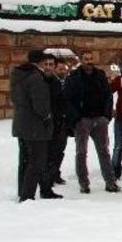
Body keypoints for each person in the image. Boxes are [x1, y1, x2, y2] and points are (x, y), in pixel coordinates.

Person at [65, 50, 120, 194]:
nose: (89, 61)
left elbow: (108, 96)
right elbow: (68, 99)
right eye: (86, 59)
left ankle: (110, 182)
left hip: (100, 119)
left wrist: (106, 116)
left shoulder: (100, 75)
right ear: (81, 60)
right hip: (82, 119)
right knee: (81, 152)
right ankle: (83, 183)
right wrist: (77, 118)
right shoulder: (74, 77)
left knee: (104, 152)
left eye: (91, 59)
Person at [11, 50, 59, 202]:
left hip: (21, 123)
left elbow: (14, 98)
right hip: (35, 127)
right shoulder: (36, 77)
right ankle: (27, 196)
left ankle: (22, 190)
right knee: (37, 161)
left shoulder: (17, 75)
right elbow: (41, 105)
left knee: (25, 161)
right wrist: (47, 116)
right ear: (41, 62)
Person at [40, 54, 67, 198]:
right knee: (45, 157)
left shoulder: (57, 82)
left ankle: (50, 181)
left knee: (56, 154)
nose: (48, 67)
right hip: (44, 125)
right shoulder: (39, 80)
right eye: (46, 64)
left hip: (58, 124)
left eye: (51, 64)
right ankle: (45, 186)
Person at [50, 58, 71, 185]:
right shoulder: (51, 82)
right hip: (53, 121)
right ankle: (49, 174)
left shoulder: (68, 82)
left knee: (60, 150)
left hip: (64, 122)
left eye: (64, 69)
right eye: (60, 68)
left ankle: (56, 173)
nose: (62, 71)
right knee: (51, 150)